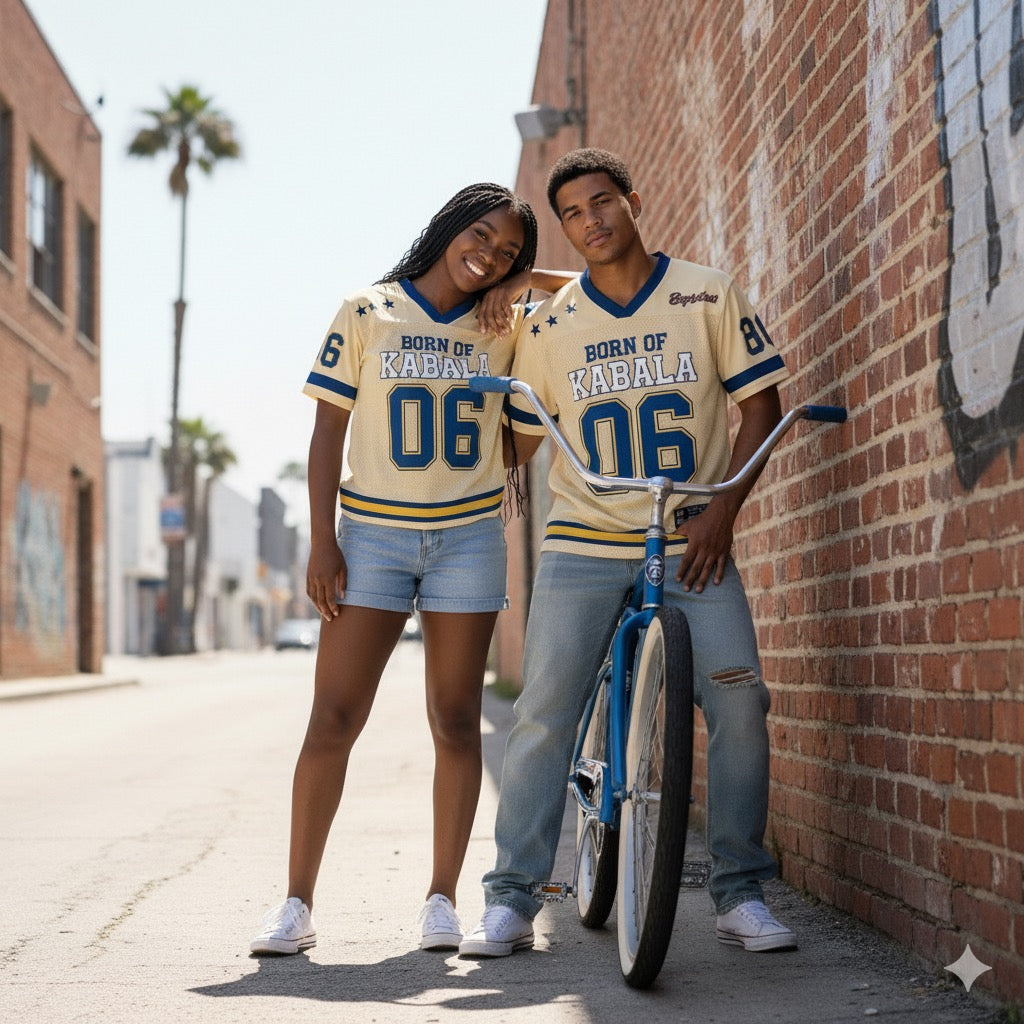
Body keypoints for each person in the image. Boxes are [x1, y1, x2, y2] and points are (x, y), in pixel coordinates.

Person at [460, 148, 797, 958]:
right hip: (582, 541)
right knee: (541, 712)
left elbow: (762, 403)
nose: (592, 221)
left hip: (689, 542)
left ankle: (739, 892)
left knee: (741, 700)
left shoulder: (705, 293)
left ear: (632, 200)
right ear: (565, 230)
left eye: (603, 202)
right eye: (573, 213)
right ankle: (512, 899)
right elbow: (521, 437)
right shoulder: (549, 324)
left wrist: (722, 513)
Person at [250, 183, 548, 957]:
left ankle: (442, 900)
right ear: (450, 227)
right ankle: (296, 903)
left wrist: (519, 288)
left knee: (455, 720)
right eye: (480, 236)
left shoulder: (507, 323)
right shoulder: (368, 309)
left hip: (466, 537)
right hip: (373, 536)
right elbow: (326, 435)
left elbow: (523, 434)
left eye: (508, 251)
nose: (488, 253)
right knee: (333, 719)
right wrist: (323, 540)